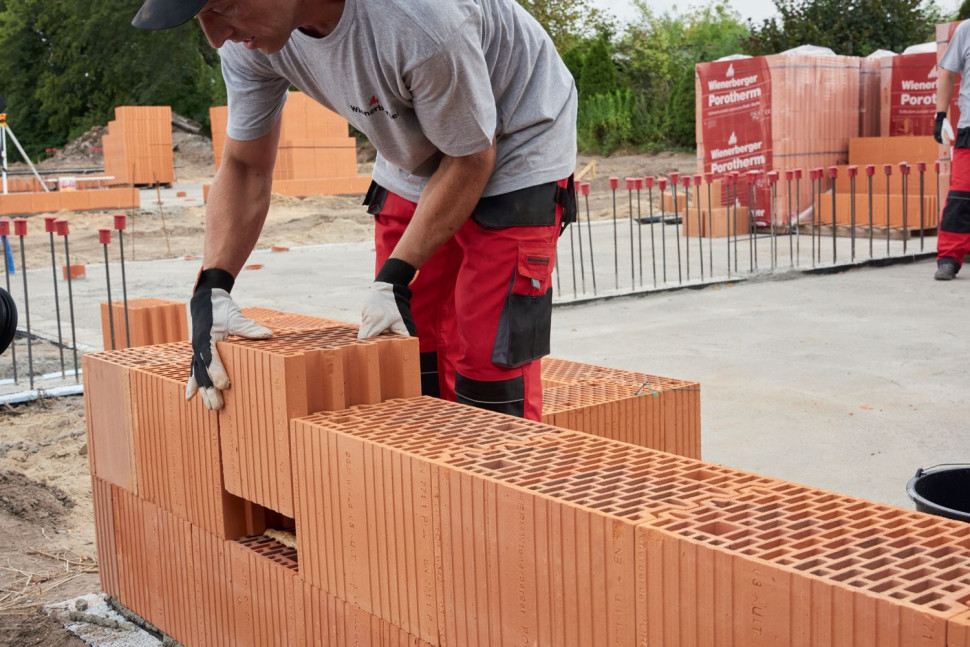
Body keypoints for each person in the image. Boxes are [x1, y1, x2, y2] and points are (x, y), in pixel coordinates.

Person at [131, 0, 577, 420]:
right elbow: (246, 167)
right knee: (405, 344)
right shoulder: (247, 39)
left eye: (221, 7)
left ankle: (499, 487)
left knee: (487, 357)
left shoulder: (418, 19)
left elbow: (471, 158)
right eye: (201, 17)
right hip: (415, 146)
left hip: (519, 140)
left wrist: (396, 277)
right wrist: (212, 287)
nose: (215, 36)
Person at [934, 20, 970, 281]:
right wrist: (940, 115)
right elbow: (947, 73)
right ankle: (949, 258)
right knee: (961, 195)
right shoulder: (966, 30)